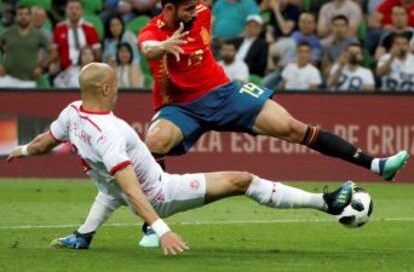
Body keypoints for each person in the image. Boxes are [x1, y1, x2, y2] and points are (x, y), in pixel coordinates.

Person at [81, 0, 411, 249]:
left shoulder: (202, 12)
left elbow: (193, 11)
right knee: (156, 141)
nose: (195, 13)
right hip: (178, 106)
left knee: (293, 127)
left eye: (196, 6)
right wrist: (161, 48)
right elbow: (146, 46)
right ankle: (153, 225)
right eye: (186, 9)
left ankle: (376, 164)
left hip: (223, 92)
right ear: (168, 9)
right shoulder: (153, 31)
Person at [6, 62, 361, 253]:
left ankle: (83, 235)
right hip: (160, 195)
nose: (116, 89)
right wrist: (161, 229)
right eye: (114, 85)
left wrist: (18, 152)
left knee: (109, 183)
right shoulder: (110, 132)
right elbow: (132, 189)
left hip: (113, 185)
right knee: (243, 180)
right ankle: (326, 203)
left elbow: (43, 142)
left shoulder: (71, 112)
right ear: (105, 89)